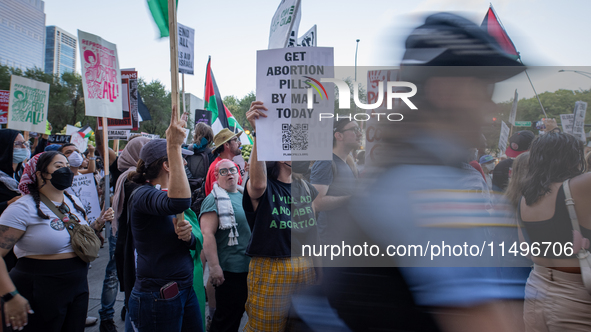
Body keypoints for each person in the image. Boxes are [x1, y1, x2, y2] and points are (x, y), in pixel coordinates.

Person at [327, 13, 528, 331]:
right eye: (484, 89)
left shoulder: (406, 172)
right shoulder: (431, 186)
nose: (491, 107)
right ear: (446, 90)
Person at [0, 151, 109, 331]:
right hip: (38, 289)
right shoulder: (22, 208)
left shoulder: (72, 201)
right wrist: (10, 296)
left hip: (77, 287)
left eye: (67, 166)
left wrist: (97, 224)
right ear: (41, 174)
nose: (66, 170)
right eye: (58, 166)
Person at [242, 101, 320, 332]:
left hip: (305, 266)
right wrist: (259, 132)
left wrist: (320, 274)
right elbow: (257, 183)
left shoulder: (305, 187)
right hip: (271, 268)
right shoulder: (265, 187)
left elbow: (312, 235)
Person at [125, 106, 203, 332]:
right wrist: (173, 145)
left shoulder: (163, 194)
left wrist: (187, 236)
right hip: (158, 298)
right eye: (180, 159)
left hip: (184, 290)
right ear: (167, 164)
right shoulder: (142, 195)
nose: (186, 164)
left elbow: (183, 243)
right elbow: (179, 202)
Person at [519, 133, 591, 331]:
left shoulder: (526, 196)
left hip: (535, 287)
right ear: (571, 157)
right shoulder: (580, 186)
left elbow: (526, 249)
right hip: (576, 293)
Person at [100, 136, 150, 332]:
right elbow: (103, 147)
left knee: (131, 281)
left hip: (131, 237)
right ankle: (108, 315)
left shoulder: (140, 176)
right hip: (126, 237)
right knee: (119, 277)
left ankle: (127, 307)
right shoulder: (128, 177)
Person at [200, 159, 251, 332]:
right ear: (216, 175)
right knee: (226, 322)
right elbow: (207, 235)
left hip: (247, 269)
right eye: (224, 171)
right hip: (229, 272)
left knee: (235, 318)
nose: (229, 173)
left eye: (232, 170)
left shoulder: (243, 194)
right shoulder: (213, 199)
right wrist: (214, 268)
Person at [310, 118, 360, 245]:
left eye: (359, 129)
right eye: (354, 129)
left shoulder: (348, 163)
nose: (360, 133)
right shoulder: (326, 162)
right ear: (339, 135)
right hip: (331, 244)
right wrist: (352, 198)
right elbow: (316, 203)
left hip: (346, 241)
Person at [204, 129, 244, 196]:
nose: (239, 143)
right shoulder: (217, 168)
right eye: (236, 140)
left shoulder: (233, 165)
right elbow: (217, 198)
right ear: (227, 145)